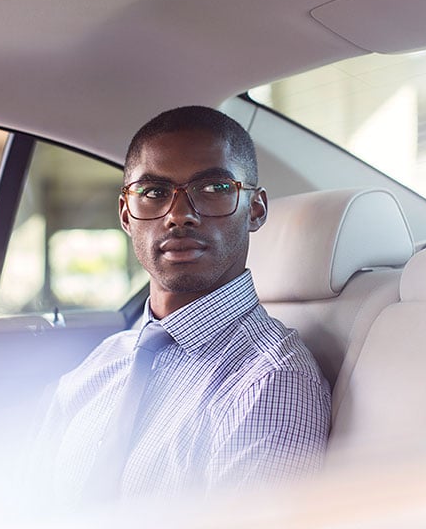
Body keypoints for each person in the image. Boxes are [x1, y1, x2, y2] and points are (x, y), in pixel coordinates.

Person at [29, 106, 330, 506]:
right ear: (125, 214)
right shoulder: (100, 364)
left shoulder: (269, 383)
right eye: (154, 193)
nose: (180, 215)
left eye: (214, 189)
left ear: (255, 209)